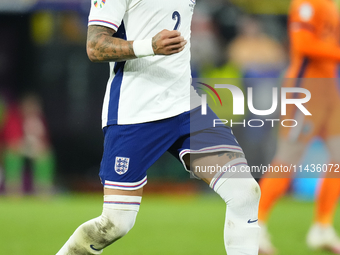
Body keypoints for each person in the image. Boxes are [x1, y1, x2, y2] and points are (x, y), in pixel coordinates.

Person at [56, 0, 261, 255]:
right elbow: (95, 46)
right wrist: (149, 46)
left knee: (245, 192)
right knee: (116, 223)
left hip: (185, 107)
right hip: (134, 113)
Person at [258, 0, 340, 254]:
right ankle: (253, 225)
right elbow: (303, 44)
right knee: (287, 160)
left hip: (328, 89)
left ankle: (322, 226)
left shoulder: (331, 4)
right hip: (305, 89)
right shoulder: (307, 2)